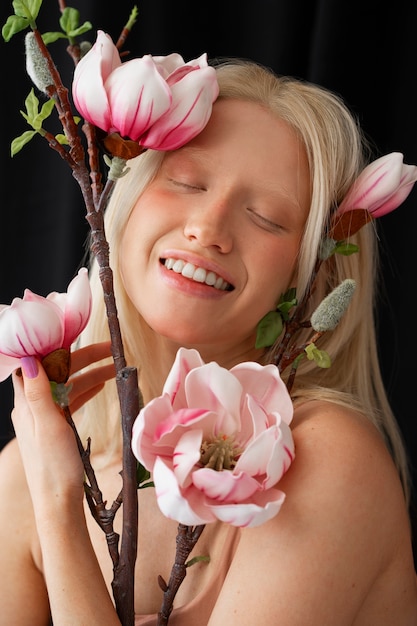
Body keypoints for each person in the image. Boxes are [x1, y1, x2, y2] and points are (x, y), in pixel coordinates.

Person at [0, 57, 416, 625]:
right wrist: (47, 486)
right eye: (187, 182)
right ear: (123, 204)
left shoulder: (329, 461)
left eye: (267, 217)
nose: (208, 228)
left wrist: (58, 512)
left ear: (311, 277)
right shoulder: (28, 469)